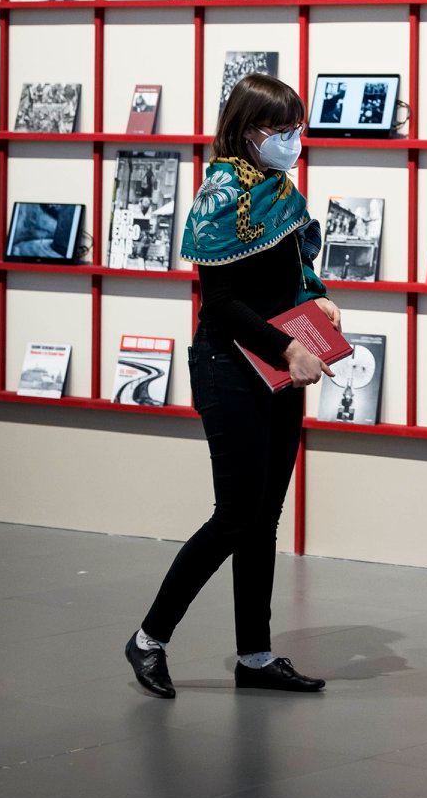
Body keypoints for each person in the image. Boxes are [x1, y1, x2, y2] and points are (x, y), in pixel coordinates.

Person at [124, 73, 341, 700]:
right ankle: (148, 640)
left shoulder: (280, 190)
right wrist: (289, 347)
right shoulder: (219, 196)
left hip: (278, 368)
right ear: (250, 133)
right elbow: (219, 303)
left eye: (298, 129)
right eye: (283, 130)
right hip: (229, 367)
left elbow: (295, 268)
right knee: (234, 517)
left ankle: (256, 654)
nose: (295, 140)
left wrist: (317, 299)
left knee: (264, 518)